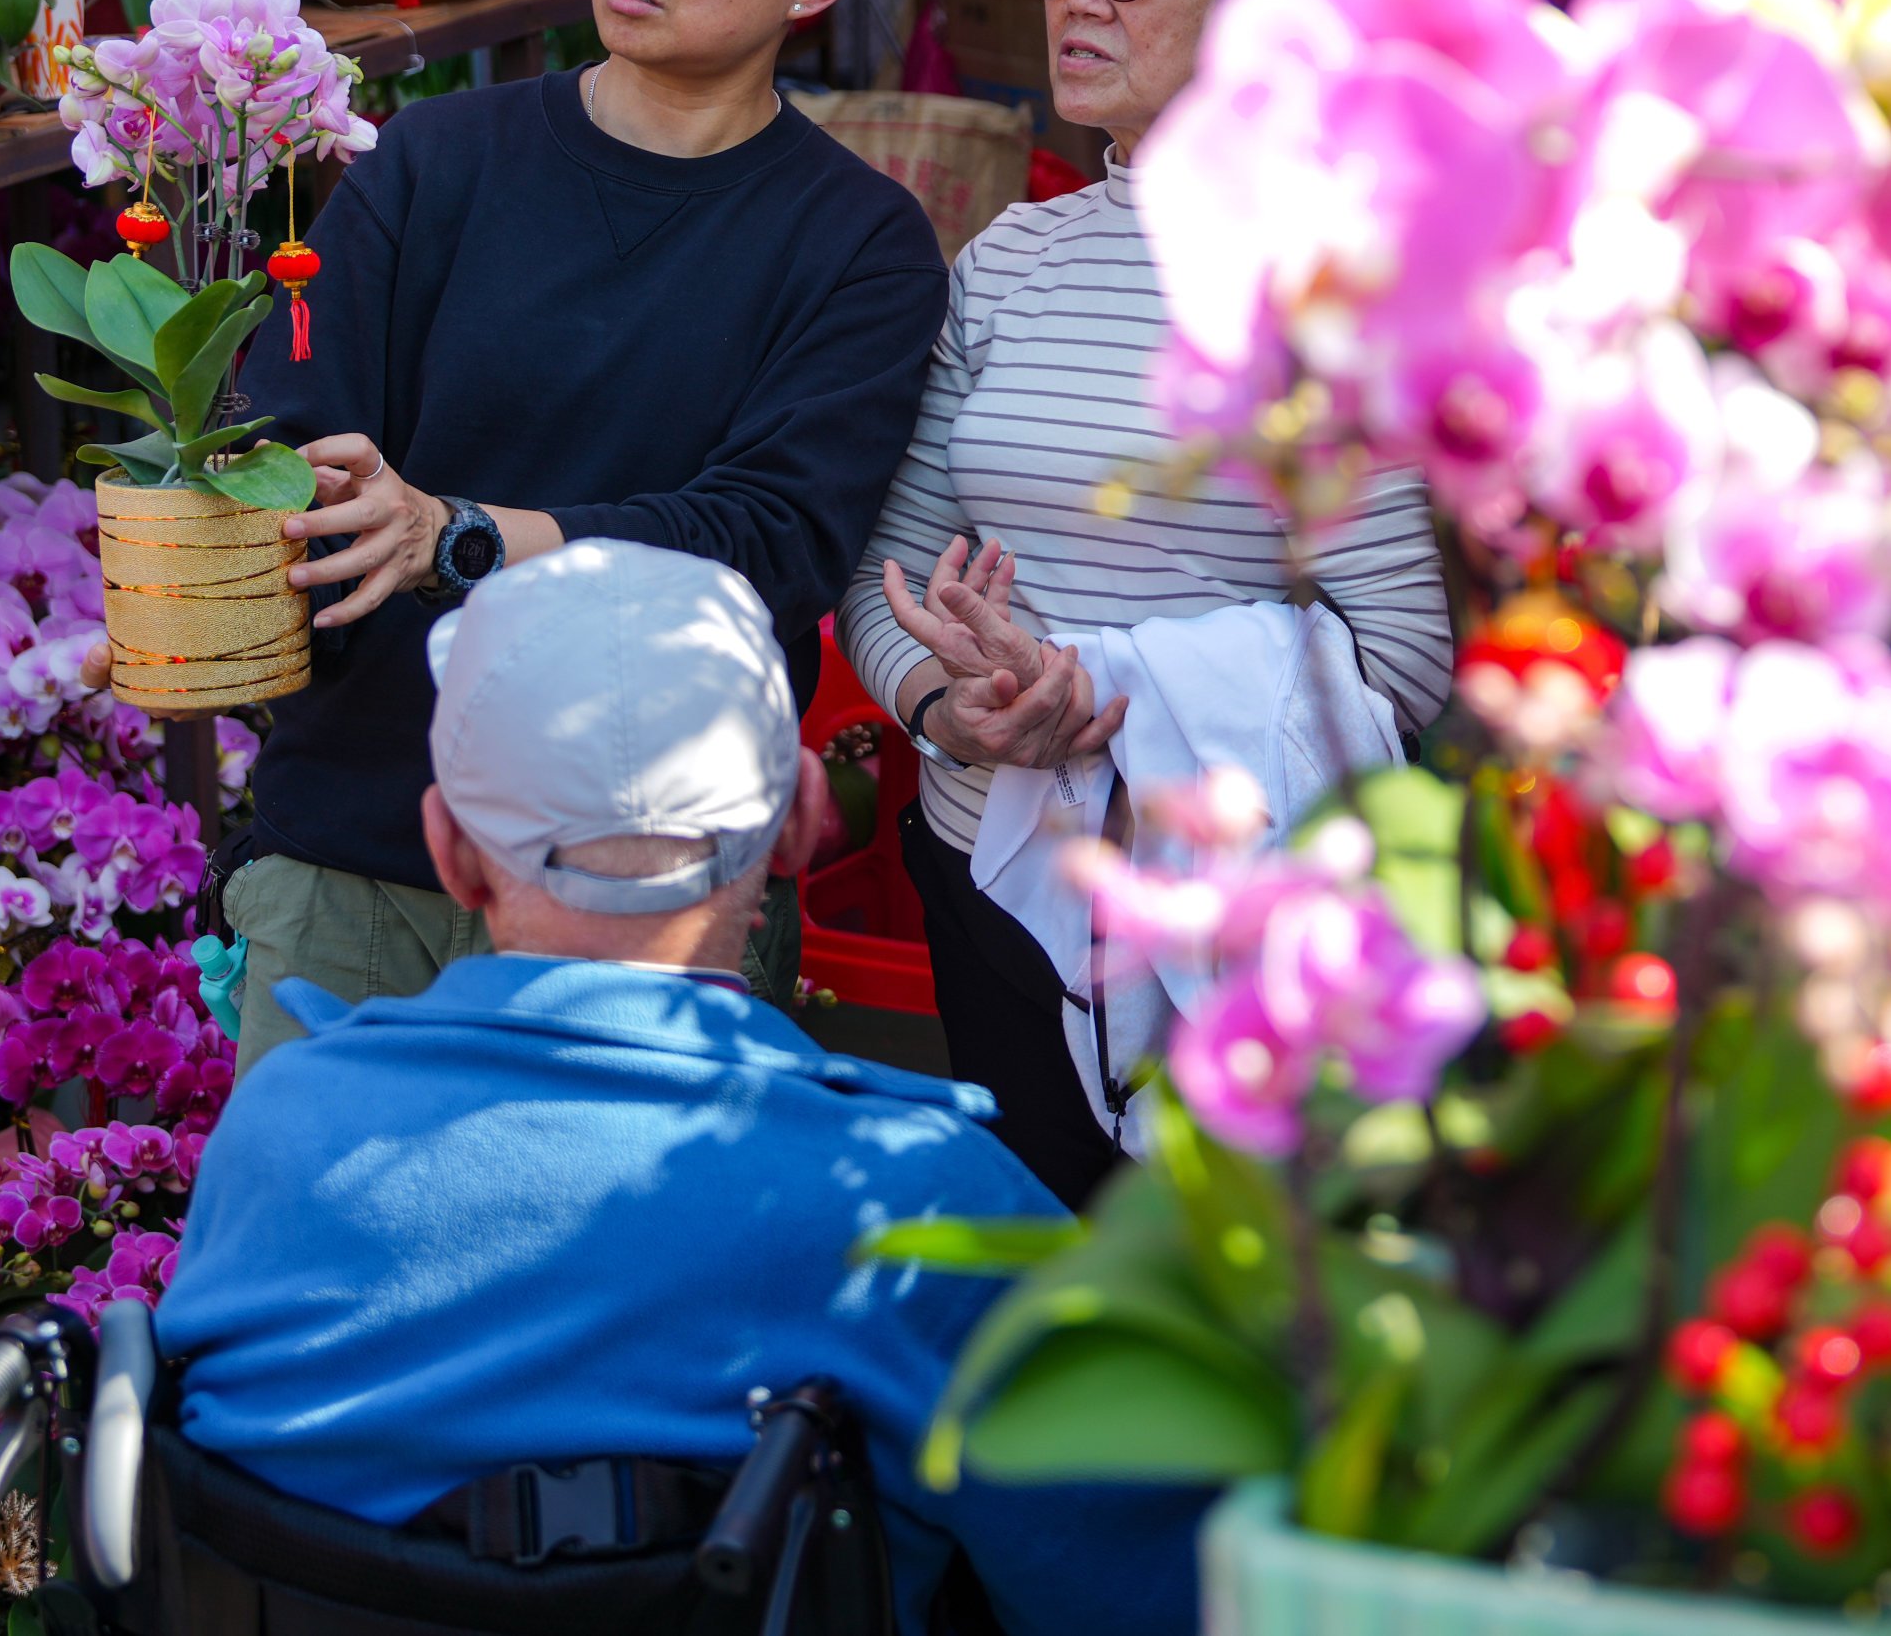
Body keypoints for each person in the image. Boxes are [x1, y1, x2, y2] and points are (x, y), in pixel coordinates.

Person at [153, 539, 1203, 1636]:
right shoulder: (925, 1206)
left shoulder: (277, 1127)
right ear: (803, 821)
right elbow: (1167, 1596)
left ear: (451, 853)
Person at [210, 0, 948, 1070]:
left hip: (661, 879)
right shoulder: (436, 156)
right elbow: (295, 428)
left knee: (638, 1275)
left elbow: (769, 536)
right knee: (330, 1269)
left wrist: (464, 532)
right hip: (370, 843)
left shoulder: (857, 241)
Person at [837, 0, 1455, 1206]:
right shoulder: (1008, 257)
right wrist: (955, 709)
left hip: (1212, 912)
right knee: (1028, 1274)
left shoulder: (1324, 277)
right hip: (979, 863)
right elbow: (889, 561)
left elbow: (1405, 652)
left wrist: (1117, 699)